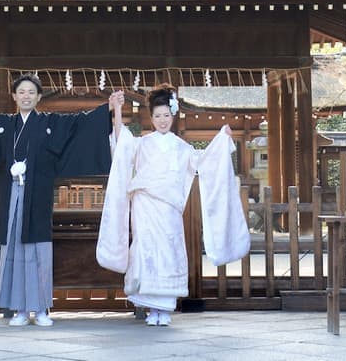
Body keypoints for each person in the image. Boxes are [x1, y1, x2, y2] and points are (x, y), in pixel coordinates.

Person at [0, 77, 124, 326]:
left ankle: (41, 308)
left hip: (37, 195)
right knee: (13, 248)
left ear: (39, 97)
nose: (26, 96)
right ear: (14, 96)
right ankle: (19, 308)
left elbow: (79, 123)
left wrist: (107, 107)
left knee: (37, 251)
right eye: (21, 92)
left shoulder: (50, 124)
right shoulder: (1, 124)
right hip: (10, 194)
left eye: (31, 92)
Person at [96, 86, 250, 326]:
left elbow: (204, 161)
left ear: (173, 115)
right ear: (151, 118)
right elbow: (122, 142)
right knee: (146, 249)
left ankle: (164, 308)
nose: (162, 120)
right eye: (157, 116)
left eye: (166, 115)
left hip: (169, 208)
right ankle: (150, 307)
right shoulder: (143, 143)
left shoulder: (182, 147)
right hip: (145, 204)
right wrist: (117, 109)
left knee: (168, 249)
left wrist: (222, 140)